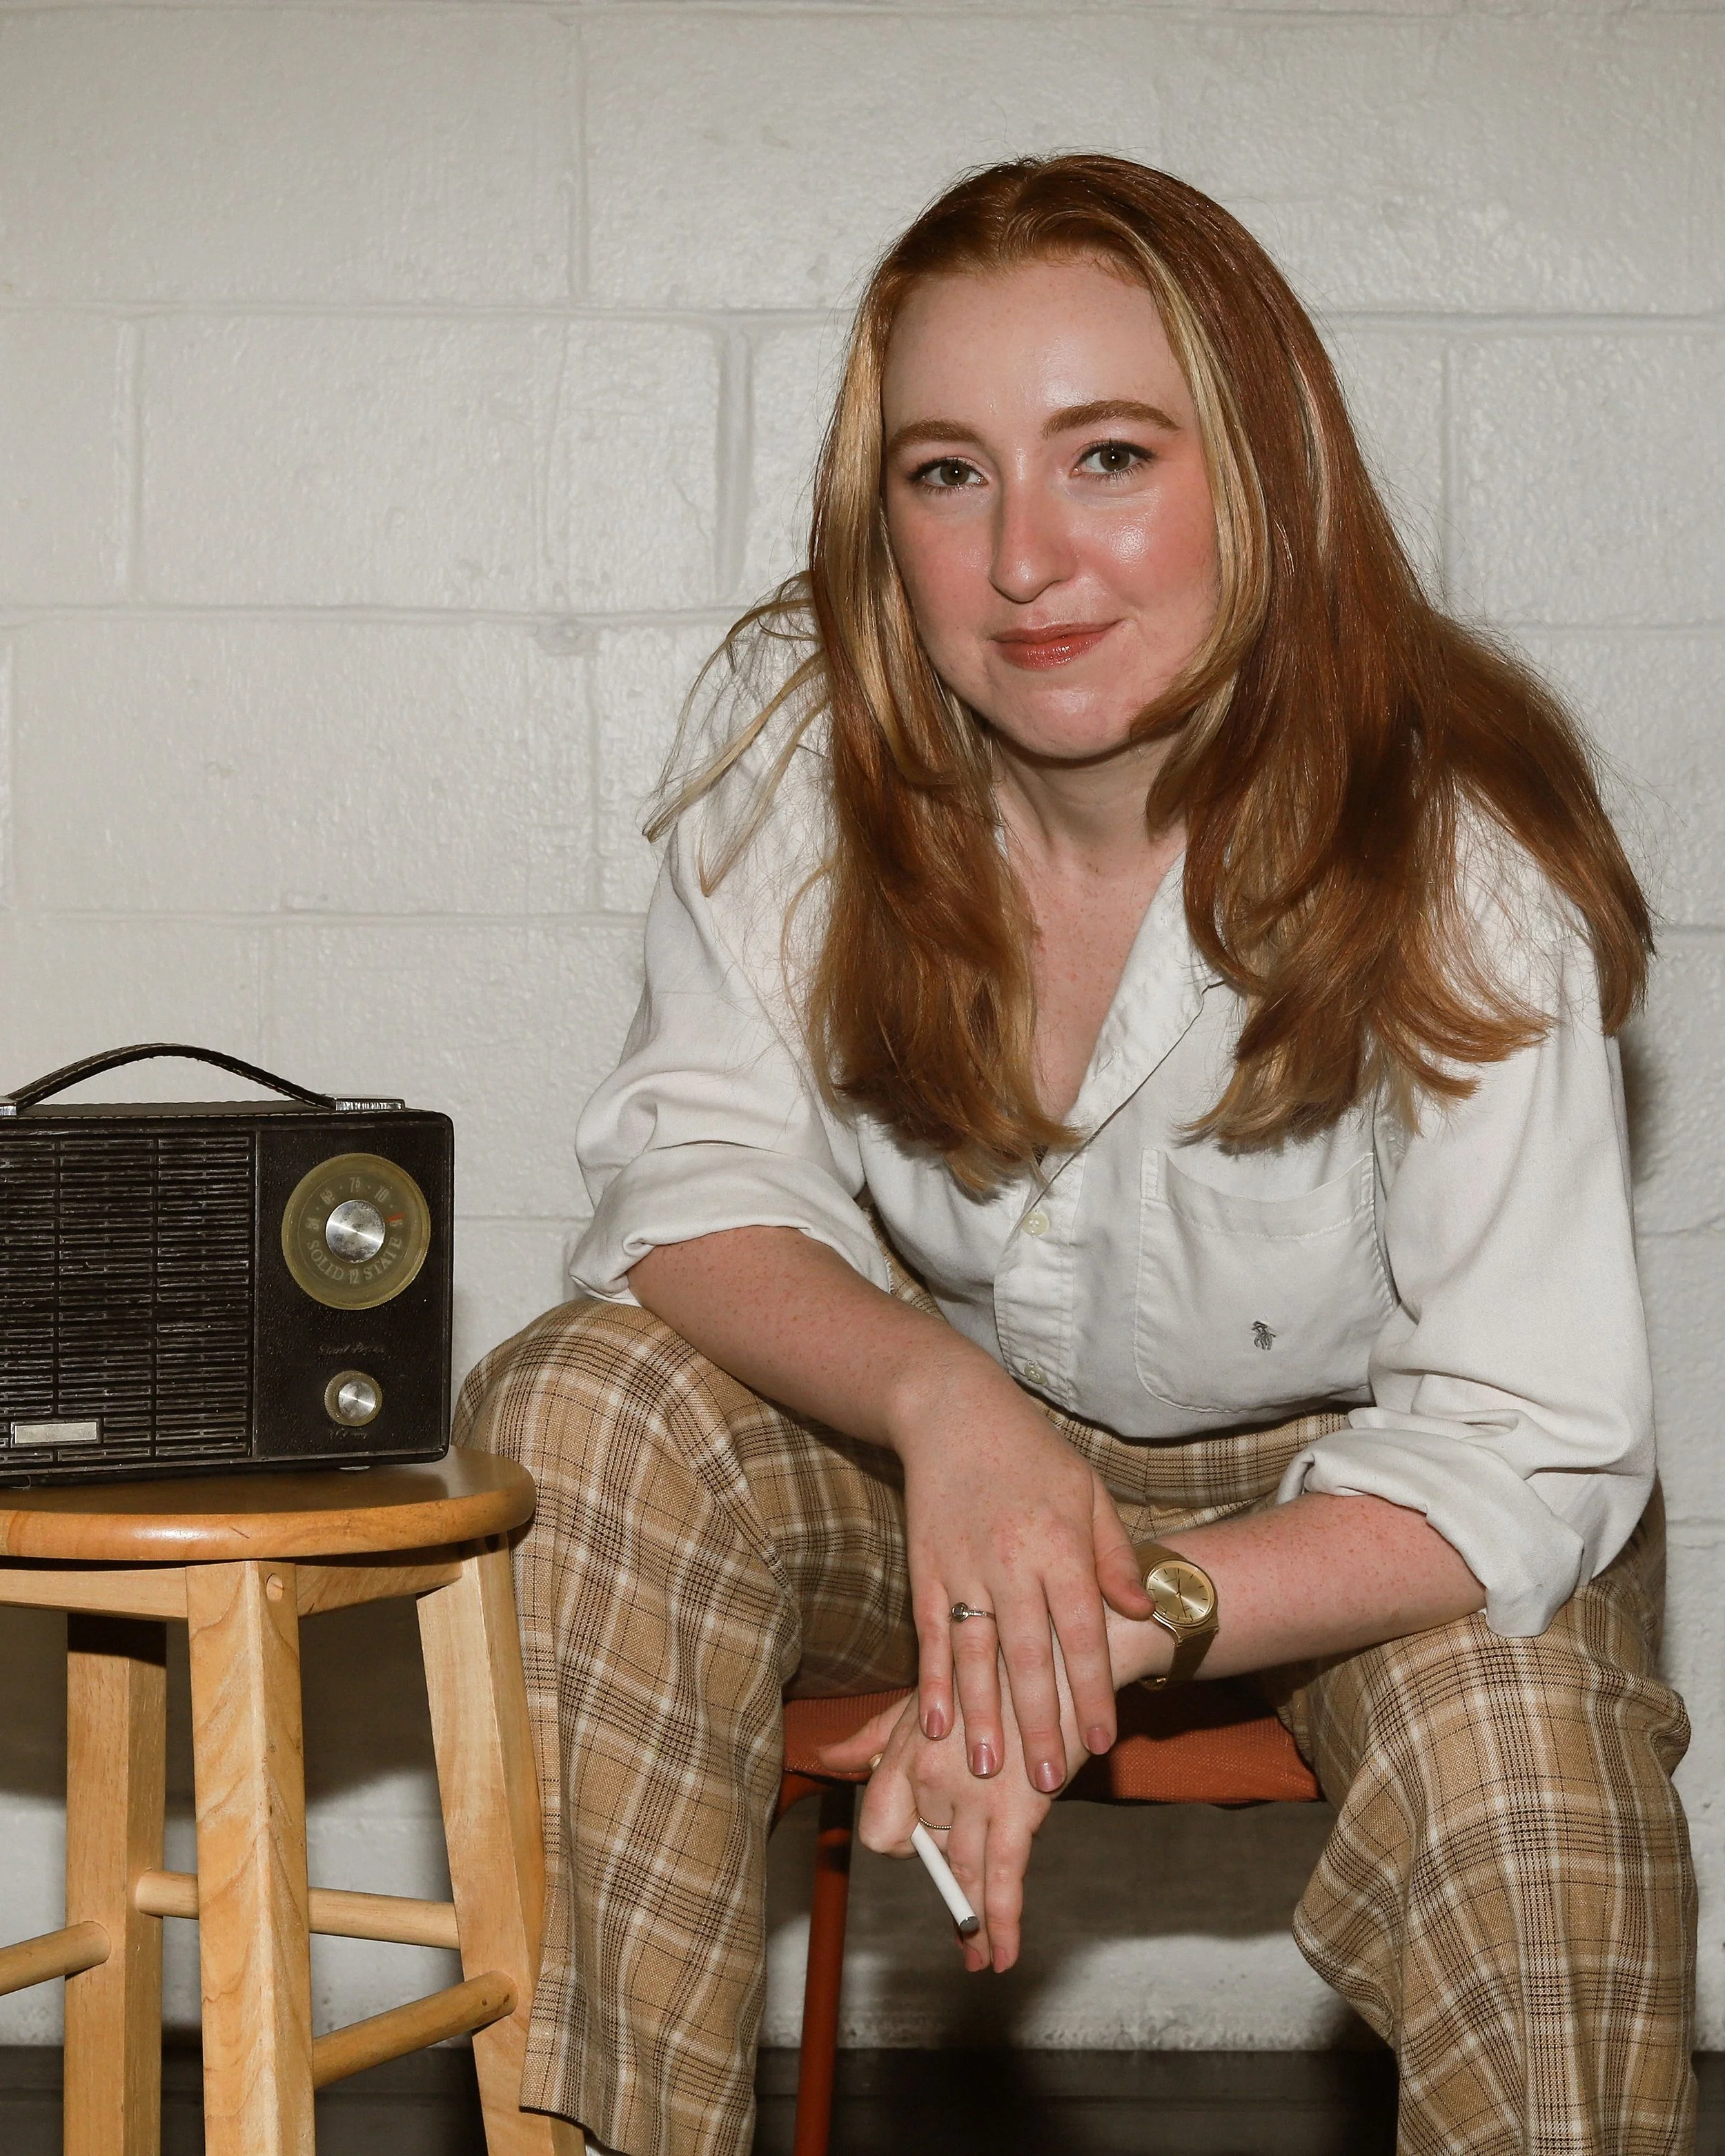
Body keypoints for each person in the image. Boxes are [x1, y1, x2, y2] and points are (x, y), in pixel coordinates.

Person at [459, 156, 1694, 2156]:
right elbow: (687, 1174)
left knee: (1527, 1765)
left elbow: (1528, 1437)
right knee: (581, 1408)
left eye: (1105, 456)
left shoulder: (1460, 853)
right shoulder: (805, 741)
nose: (1024, 558)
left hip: (1365, 1501)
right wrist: (948, 1409)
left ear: (1262, 476)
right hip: (957, 1456)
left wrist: (1128, 1619)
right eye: (947, 475)